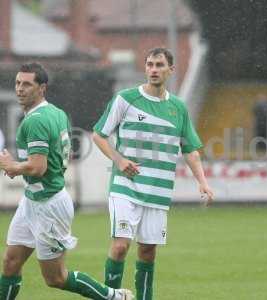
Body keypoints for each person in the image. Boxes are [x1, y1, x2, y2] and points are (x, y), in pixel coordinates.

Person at [0, 63, 132, 300]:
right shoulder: (56, 112)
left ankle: (115, 297)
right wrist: (19, 167)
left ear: (42, 88)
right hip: (32, 200)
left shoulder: (35, 121)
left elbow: (38, 167)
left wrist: (12, 167)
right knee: (10, 262)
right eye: (18, 83)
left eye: (27, 84)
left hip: (48, 205)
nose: (20, 88)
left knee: (56, 278)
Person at [92, 47, 214, 300]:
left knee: (148, 251)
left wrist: (202, 181)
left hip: (158, 191)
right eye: (149, 64)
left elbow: (190, 149)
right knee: (120, 246)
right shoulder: (125, 99)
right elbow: (98, 135)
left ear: (171, 70)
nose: (153, 70)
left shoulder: (178, 108)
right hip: (126, 186)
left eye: (159, 65)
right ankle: (110, 296)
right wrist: (119, 159)